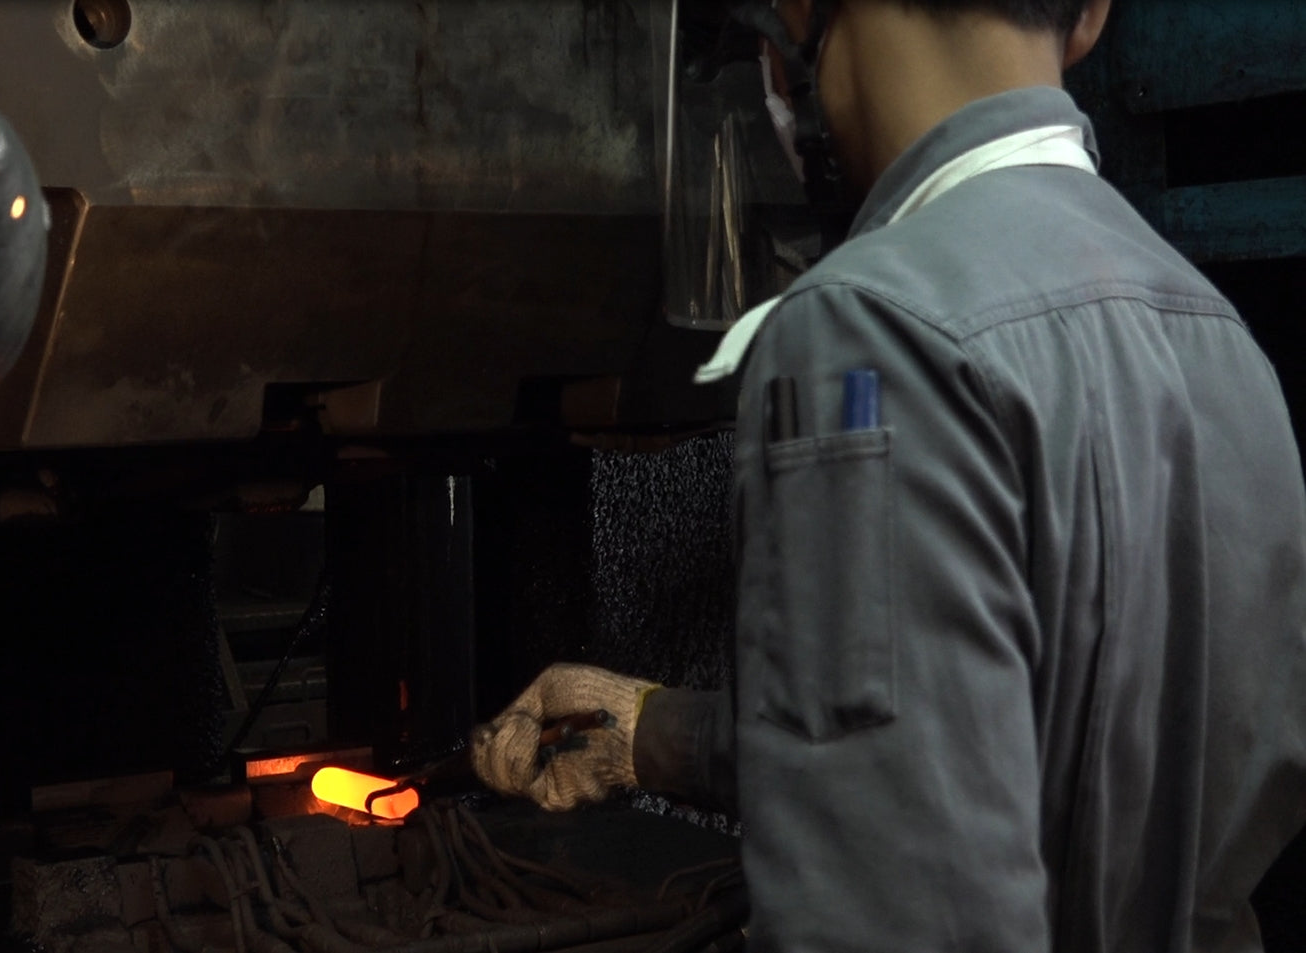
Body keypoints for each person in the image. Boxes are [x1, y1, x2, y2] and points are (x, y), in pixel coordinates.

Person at [469, 1, 1306, 950]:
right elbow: (1026, 753)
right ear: (1089, 18)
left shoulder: (866, 334)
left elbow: (897, 903)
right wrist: (649, 732)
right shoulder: (1220, 339)